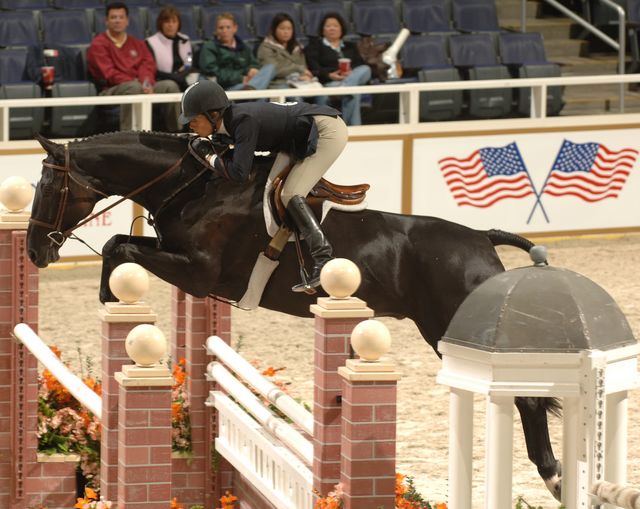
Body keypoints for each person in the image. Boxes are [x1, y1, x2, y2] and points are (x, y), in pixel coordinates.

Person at [179, 80, 347, 292]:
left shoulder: (242, 121)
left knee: (290, 193)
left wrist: (208, 155)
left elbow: (239, 173)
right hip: (295, 137)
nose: (190, 125)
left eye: (194, 119)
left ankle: (324, 258)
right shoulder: (229, 122)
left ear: (213, 115)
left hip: (326, 130)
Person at [87, 2, 181, 131]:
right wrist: (137, 83)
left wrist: (146, 83)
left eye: (121, 17)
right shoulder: (98, 44)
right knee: (133, 87)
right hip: (111, 89)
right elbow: (108, 74)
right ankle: (129, 136)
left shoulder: (136, 43)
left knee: (170, 86)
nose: (117, 21)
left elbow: (147, 65)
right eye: (113, 17)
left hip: (140, 85)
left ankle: (176, 133)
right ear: (106, 21)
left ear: (127, 21)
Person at [305, 12, 372, 126]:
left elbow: (359, 64)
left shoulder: (350, 46)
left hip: (348, 80)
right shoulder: (315, 46)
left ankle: (345, 88)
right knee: (354, 93)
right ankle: (354, 130)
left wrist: (351, 72)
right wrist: (329, 75)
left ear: (341, 29)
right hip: (330, 83)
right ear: (323, 30)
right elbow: (314, 67)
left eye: (335, 26)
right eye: (328, 26)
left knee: (365, 69)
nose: (332, 29)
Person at [198, 13, 276, 91]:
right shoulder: (209, 47)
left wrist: (252, 69)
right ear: (216, 30)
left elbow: (253, 63)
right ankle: (252, 90)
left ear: (235, 28)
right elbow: (213, 72)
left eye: (228, 27)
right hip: (224, 87)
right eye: (221, 28)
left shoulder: (243, 46)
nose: (224, 31)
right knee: (260, 93)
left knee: (270, 68)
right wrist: (240, 78)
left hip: (246, 83)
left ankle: (251, 88)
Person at [256, 13, 315, 89]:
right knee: (296, 96)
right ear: (274, 29)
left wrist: (305, 76)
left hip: (298, 81)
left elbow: (303, 67)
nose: (286, 32)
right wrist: (297, 68)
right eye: (282, 28)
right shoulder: (266, 47)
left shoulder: (297, 46)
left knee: (321, 94)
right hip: (277, 83)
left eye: (289, 29)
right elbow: (274, 70)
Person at [146, 5, 194, 92]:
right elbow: (152, 70)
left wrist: (182, 75)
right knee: (172, 86)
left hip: (183, 78)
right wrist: (173, 77)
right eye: (167, 22)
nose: (171, 25)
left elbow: (189, 61)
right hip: (162, 80)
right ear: (161, 23)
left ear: (178, 23)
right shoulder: (151, 42)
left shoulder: (185, 40)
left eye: (174, 21)